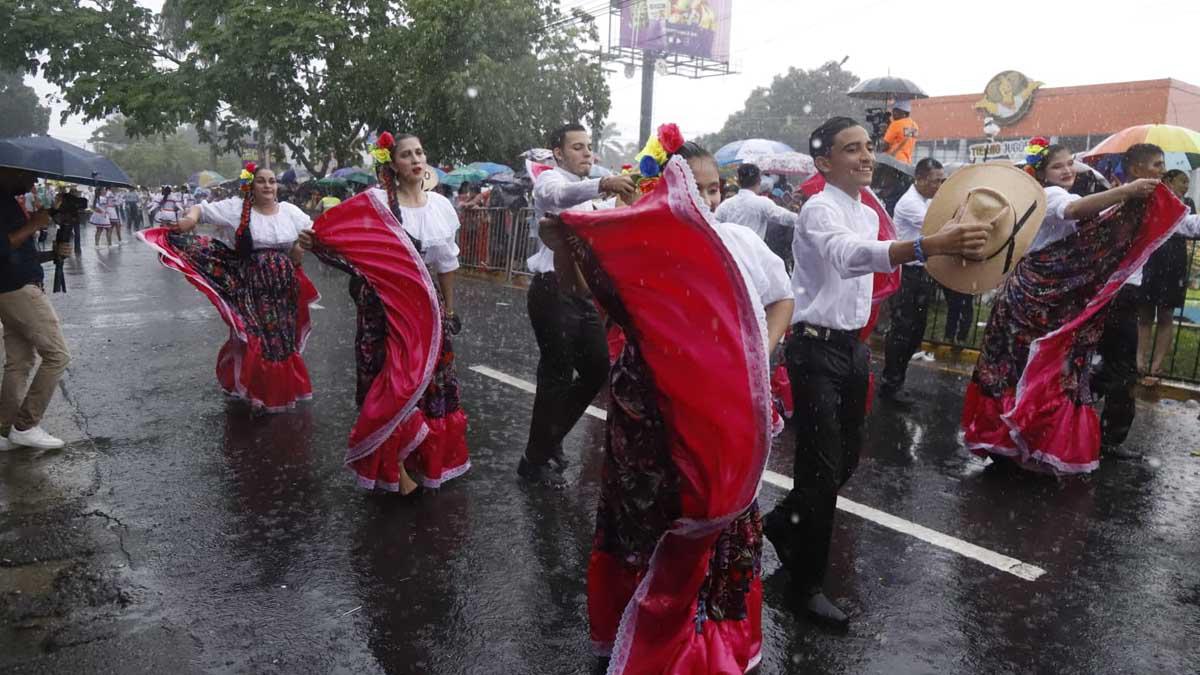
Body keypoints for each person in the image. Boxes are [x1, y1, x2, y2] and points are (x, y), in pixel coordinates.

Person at [547, 132, 792, 673]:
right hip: (648, 406)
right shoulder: (638, 243)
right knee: (648, 513)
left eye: (711, 190)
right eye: (692, 189)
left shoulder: (741, 243)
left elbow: (782, 298)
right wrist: (564, 246)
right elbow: (578, 290)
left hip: (722, 405)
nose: (704, 201)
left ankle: (707, 641)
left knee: (719, 510)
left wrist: (753, 356)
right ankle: (648, 630)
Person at [763, 117, 989, 629]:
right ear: (824, 162)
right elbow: (849, 258)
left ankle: (780, 521)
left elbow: (880, 261)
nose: (866, 157)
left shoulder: (869, 209)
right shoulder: (819, 210)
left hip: (854, 348)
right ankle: (805, 588)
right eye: (852, 149)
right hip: (814, 349)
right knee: (820, 471)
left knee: (843, 462)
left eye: (867, 147)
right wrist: (929, 245)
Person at [962, 140, 1183, 472]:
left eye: (1069, 164)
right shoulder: (1050, 196)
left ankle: (1022, 442)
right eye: (1057, 167)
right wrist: (1127, 193)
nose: (1066, 171)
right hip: (1033, 301)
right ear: (1042, 174)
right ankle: (1014, 442)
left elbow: (1093, 214)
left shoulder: (1075, 194)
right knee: (1027, 369)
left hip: (1052, 301)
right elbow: (1074, 211)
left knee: (1038, 370)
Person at [301, 132, 470, 495]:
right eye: (406, 154)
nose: (415, 159)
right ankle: (393, 467)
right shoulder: (375, 202)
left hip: (427, 305)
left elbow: (446, 263)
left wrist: (449, 307)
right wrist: (313, 239)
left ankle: (424, 460)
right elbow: (344, 236)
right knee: (390, 379)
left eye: (420, 152)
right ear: (392, 164)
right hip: (382, 305)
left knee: (428, 379)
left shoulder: (440, 207)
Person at [137, 163, 319, 412]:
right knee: (258, 338)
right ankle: (260, 393)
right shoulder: (237, 209)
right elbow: (201, 209)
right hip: (250, 286)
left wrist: (302, 245)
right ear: (251, 186)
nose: (268, 185)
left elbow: (315, 229)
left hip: (285, 286)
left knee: (282, 340)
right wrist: (191, 219)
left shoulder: (290, 212)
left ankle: (282, 391)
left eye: (272, 181)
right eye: (261, 181)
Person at [518, 122, 636, 487]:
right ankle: (533, 460)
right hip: (550, 289)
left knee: (597, 368)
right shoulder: (550, 182)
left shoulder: (590, 195)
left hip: (582, 294)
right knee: (555, 374)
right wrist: (604, 183)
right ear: (558, 153)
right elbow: (560, 198)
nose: (588, 153)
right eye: (578, 147)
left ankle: (548, 439)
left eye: (589, 147)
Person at [1096, 145, 1200, 459]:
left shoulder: (1163, 205)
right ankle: (1092, 433)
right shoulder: (1111, 199)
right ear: (1137, 169)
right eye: (1156, 165)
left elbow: (1189, 225)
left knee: (1114, 367)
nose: (1162, 171)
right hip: (1106, 293)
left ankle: (1103, 436)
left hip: (1125, 295)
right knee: (1110, 366)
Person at [0, 168, 74, 450]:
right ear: (9, 170)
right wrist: (34, 224)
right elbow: (2, 248)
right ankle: (26, 425)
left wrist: (51, 254)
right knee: (58, 356)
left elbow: (18, 255)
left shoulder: (8, 200)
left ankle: (4, 429)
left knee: (19, 362)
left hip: (11, 287)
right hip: (19, 290)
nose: (33, 181)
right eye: (28, 175)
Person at [879, 158, 946, 403]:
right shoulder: (909, 204)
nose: (939, 185)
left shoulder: (925, 201)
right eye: (935, 181)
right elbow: (939, 229)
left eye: (941, 180)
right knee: (903, 330)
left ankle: (898, 380)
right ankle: (890, 384)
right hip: (907, 273)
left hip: (920, 273)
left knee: (915, 330)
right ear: (919, 179)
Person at [1136, 169, 1195, 384]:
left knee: (1166, 315)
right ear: (1168, 181)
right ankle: (1139, 361)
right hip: (1150, 260)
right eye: (1182, 181)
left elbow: (1189, 228)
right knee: (1144, 313)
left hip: (1174, 263)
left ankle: (1157, 365)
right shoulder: (1151, 199)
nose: (1185, 186)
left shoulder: (1186, 203)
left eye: (1187, 182)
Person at [714, 162, 801, 241]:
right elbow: (785, 217)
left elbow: (714, 226)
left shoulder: (725, 205)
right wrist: (805, 219)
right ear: (759, 181)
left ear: (738, 182)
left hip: (731, 253)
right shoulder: (763, 203)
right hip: (754, 253)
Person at [880, 100, 919, 165]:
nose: (893, 114)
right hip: (906, 161)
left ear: (903, 112)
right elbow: (905, 140)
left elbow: (885, 146)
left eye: (895, 111)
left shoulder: (896, 124)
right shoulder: (914, 126)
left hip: (894, 160)